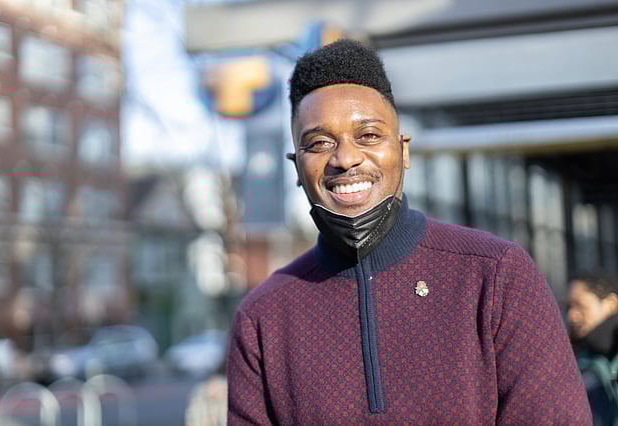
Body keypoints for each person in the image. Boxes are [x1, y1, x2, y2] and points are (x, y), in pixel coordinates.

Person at [227, 39, 591, 424]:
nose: (345, 158)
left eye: (368, 135)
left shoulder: (496, 275)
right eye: (319, 142)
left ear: (403, 152)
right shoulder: (262, 318)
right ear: (297, 167)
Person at [569, 271, 618, 425]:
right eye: (569, 307)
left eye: (580, 306)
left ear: (611, 304)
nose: (572, 316)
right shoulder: (573, 356)